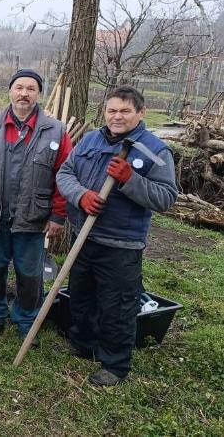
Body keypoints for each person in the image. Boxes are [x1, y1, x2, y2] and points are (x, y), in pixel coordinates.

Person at [56, 86, 177, 386]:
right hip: (84, 236)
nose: (117, 116)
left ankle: (115, 364)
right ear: (105, 112)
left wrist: (130, 180)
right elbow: (64, 174)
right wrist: (81, 196)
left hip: (121, 243)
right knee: (81, 295)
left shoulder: (154, 150)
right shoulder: (91, 140)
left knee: (118, 305)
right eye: (112, 110)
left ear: (140, 113)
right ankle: (83, 343)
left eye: (125, 111)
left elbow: (166, 198)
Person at [0, 69, 72, 347]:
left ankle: (26, 320)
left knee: (30, 273)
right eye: (19, 87)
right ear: (10, 91)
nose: (24, 93)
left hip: (33, 216)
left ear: (38, 94)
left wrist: (58, 214)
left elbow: (64, 175)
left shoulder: (55, 131)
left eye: (31, 89)